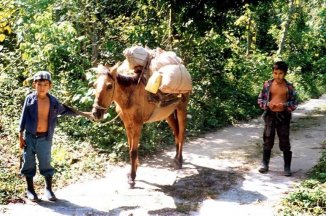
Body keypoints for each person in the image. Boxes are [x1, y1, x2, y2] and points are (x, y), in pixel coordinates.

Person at [18, 71, 86, 202]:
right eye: (39, 84)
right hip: (30, 137)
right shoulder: (30, 99)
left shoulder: (54, 101)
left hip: (45, 138)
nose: (42, 87)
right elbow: (23, 117)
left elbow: (65, 110)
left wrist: (82, 113)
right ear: (34, 85)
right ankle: (30, 189)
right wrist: (20, 135)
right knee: (28, 162)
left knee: (46, 162)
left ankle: (48, 189)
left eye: (45, 84)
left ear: (50, 86)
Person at [257, 61, 298, 176]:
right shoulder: (267, 85)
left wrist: (285, 105)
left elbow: (295, 102)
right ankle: (265, 164)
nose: (277, 76)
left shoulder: (289, 86)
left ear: (285, 73)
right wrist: (267, 104)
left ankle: (287, 167)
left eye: (280, 73)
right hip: (270, 115)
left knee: (284, 139)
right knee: (268, 138)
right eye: (275, 73)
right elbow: (260, 99)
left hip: (283, 116)